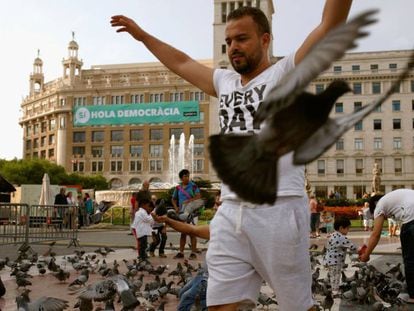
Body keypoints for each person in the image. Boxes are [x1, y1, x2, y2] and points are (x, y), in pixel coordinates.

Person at [111, 2, 352, 309]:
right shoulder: (224, 81)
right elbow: (181, 61)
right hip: (229, 213)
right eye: (228, 41)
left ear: (265, 39)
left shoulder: (287, 72)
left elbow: (330, 24)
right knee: (220, 305)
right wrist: (143, 36)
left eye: (242, 39)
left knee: (297, 306)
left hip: (277, 210)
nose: (233, 47)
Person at [359, 189, 414, 304]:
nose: (386, 218)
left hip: (411, 220)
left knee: (410, 260)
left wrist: (366, 255)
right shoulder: (394, 197)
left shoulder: (379, 206)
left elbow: (376, 234)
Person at [152, 213, 209, 311]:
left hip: (211, 278)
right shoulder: (222, 223)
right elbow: (191, 229)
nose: (216, 206)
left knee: (186, 302)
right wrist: (167, 220)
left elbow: (192, 231)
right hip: (203, 274)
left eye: (219, 203)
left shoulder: (232, 227)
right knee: (182, 293)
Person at [171, 169, 203, 259]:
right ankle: (181, 252)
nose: (187, 178)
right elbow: (173, 199)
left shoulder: (193, 186)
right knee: (183, 232)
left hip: (192, 213)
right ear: (181, 178)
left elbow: (198, 197)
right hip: (182, 213)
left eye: (188, 176)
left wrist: (188, 201)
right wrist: (176, 207)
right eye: (185, 176)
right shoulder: (178, 188)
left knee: (192, 232)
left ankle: (193, 253)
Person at [324, 216, 358, 295]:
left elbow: (327, 246)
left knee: (332, 274)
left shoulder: (332, 235)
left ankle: (328, 286)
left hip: (329, 259)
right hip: (335, 261)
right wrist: (361, 250)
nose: (348, 230)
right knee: (336, 276)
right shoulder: (341, 238)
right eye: (347, 228)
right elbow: (352, 247)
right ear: (341, 228)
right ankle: (335, 291)